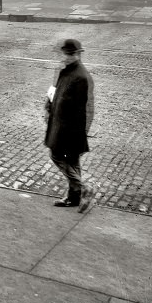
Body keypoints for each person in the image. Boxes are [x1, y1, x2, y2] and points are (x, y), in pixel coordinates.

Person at [44, 37, 94, 212]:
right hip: (58, 122)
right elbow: (54, 90)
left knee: (57, 156)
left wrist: (80, 132)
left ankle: (84, 186)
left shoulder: (81, 77)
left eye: (70, 54)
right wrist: (48, 106)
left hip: (69, 128)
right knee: (72, 161)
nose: (65, 57)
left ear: (77, 55)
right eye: (65, 53)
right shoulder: (63, 70)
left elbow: (84, 109)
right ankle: (74, 198)